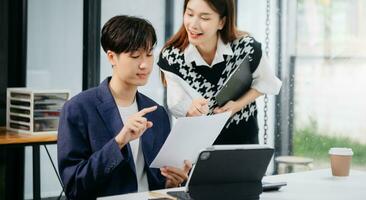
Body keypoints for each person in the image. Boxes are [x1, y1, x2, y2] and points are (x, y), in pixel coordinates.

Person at [58, 15, 191, 199]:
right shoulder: (78, 109)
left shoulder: (157, 112)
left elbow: (155, 180)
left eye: (149, 54)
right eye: (135, 56)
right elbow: (74, 186)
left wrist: (170, 182)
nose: (145, 64)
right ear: (112, 57)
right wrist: (119, 141)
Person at [158, 0, 282, 145]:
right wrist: (191, 109)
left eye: (204, 18)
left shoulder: (246, 47)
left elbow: (267, 82)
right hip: (199, 144)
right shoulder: (172, 57)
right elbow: (176, 104)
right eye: (189, 14)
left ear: (221, 22)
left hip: (244, 139)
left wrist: (237, 105)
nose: (193, 24)